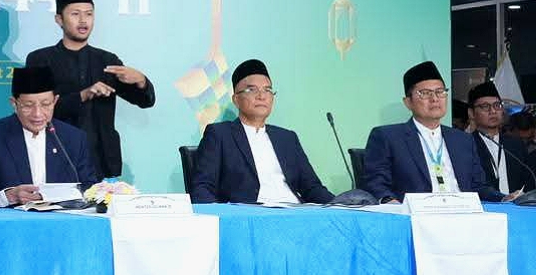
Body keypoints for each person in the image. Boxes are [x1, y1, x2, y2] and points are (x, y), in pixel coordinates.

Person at [25, 0, 154, 178]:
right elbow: (35, 112)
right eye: (75, 14)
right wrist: (84, 95)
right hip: (55, 155)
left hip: (102, 160)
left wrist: (141, 81)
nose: (83, 20)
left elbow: (145, 101)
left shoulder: (107, 60)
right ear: (59, 19)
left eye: (89, 14)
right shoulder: (40, 60)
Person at [362, 61, 509, 203]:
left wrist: (504, 198)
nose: (434, 99)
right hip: (415, 214)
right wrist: (392, 204)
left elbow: (478, 187)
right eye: (425, 93)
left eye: (440, 92)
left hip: (462, 211)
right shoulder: (388, 137)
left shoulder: (463, 140)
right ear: (408, 102)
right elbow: (376, 183)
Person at [191, 59, 334, 204]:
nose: (262, 96)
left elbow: (312, 188)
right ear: (236, 99)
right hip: (249, 214)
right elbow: (202, 188)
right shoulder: (220, 134)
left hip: (295, 211)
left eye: (267, 90)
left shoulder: (287, 138)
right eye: (252, 90)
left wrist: (339, 205)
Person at [0, 66, 99, 208]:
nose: (37, 114)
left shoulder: (73, 138)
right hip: (12, 219)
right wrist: (9, 196)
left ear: (55, 101)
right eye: (28, 106)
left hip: (62, 219)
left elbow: (89, 187)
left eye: (45, 104)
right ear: (14, 103)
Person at [468, 81, 536, 193]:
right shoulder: (466, 144)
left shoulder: (516, 144)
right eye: (485, 106)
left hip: (516, 203)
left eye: (497, 105)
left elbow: (528, 180)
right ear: (471, 113)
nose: (493, 111)